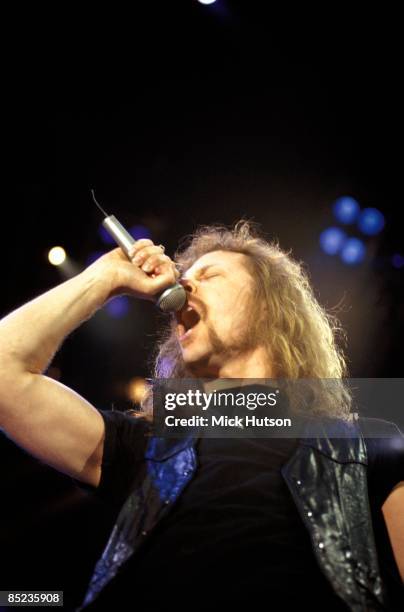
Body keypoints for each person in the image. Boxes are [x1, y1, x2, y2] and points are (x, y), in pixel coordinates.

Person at [0, 222, 402, 611]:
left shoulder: (368, 446)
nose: (184, 285)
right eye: (184, 278)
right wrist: (102, 279)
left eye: (209, 275)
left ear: (268, 304)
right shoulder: (145, 445)